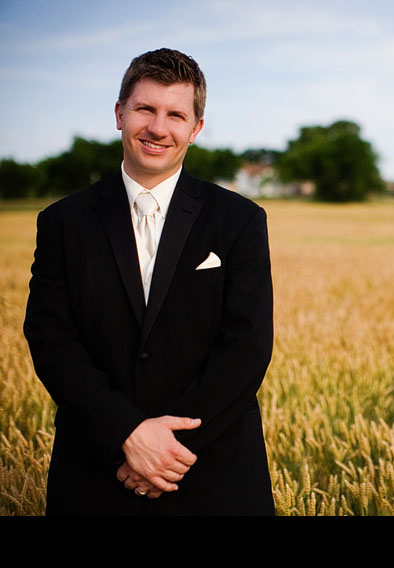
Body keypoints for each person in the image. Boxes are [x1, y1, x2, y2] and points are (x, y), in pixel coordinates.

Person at [23, 48, 274, 515]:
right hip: (96, 472)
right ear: (120, 114)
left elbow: (247, 345)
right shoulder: (62, 222)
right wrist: (126, 434)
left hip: (211, 472)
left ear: (196, 128)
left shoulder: (239, 220)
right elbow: (50, 337)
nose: (159, 128)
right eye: (145, 109)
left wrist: (167, 448)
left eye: (176, 114)